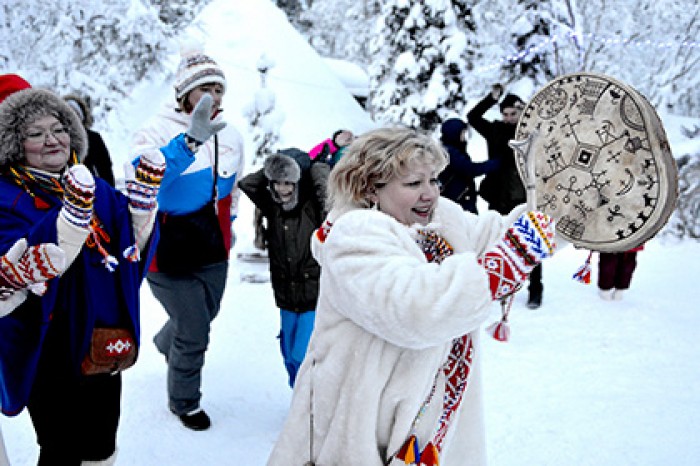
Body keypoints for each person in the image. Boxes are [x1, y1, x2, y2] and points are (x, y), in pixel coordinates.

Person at [267, 127, 555, 466]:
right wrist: (513, 256)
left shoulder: (442, 217)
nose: (430, 193)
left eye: (433, 180)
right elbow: (416, 308)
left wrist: (559, 211)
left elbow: (494, 236)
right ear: (370, 186)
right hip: (361, 426)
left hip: (427, 420)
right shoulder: (355, 235)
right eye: (413, 184)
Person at [0, 82, 164, 465]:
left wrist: (140, 214)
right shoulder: (6, 196)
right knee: (61, 446)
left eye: (58, 128)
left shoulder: (97, 188)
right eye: (35, 134)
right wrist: (65, 225)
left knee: (101, 443)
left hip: (102, 335)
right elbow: (13, 260)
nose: (52, 140)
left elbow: (128, 253)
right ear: (13, 145)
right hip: (48, 342)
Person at [130, 44, 245, 431]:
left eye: (219, 89)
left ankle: (169, 344)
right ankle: (184, 402)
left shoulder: (231, 136)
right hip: (166, 249)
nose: (213, 98)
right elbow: (143, 178)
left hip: (211, 245)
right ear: (184, 94)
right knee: (195, 329)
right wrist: (189, 142)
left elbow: (232, 190)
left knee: (202, 316)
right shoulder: (155, 129)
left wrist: (231, 230)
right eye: (204, 90)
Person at [238, 149, 329, 387]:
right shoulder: (272, 205)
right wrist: (276, 166)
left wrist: (312, 168)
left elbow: (327, 192)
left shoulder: (313, 207)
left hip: (313, 293)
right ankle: (298, 394)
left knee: (302, 354)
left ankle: (308, 400)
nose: (282, 189)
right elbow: (247, 184)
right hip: (285, 293)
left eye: (288, 182)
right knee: (288, 353)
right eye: (277, 182)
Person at [468, 84, 544, 309]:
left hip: (525, 196)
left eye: (514, 113)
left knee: (531, 242)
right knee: (498, 243)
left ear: (521, 113)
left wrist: (528, 109)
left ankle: (535, 289)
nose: (509, 118)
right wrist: (491, 98)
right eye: (506, 114)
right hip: (498, 195)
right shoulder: (494, 130)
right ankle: (502, 285)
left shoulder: (531, 132)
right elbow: (472, 116)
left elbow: (551, 123)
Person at [438, 117, 500, 214]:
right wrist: (493, 164)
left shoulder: (453, 148)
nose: (464, 136)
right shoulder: (450, 152)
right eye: (462, 133)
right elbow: (469, 169)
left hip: (462, 197)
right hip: (459, 199)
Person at [63, 93, 116, 187]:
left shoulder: (94, 138)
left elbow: (105, 169)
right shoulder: (56, 140)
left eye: (74, 114)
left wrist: (109, 195)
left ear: (81, 117)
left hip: (91, 191)